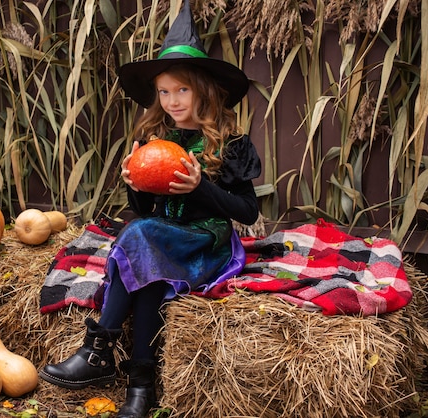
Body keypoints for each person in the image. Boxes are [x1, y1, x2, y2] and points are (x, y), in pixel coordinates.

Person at [38, 1, 261, 417]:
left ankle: (96, 349)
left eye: (182, 90)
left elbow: (246, 211)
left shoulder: (231, 143)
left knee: (139, 237)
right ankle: (141, 390)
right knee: (148, 275)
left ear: (204, 89)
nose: (172, 100)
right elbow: (144, 210)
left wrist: (199, 188)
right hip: (160, 240)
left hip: (204, 244)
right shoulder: (156, 139)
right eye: (164, 91)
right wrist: (134, 184)